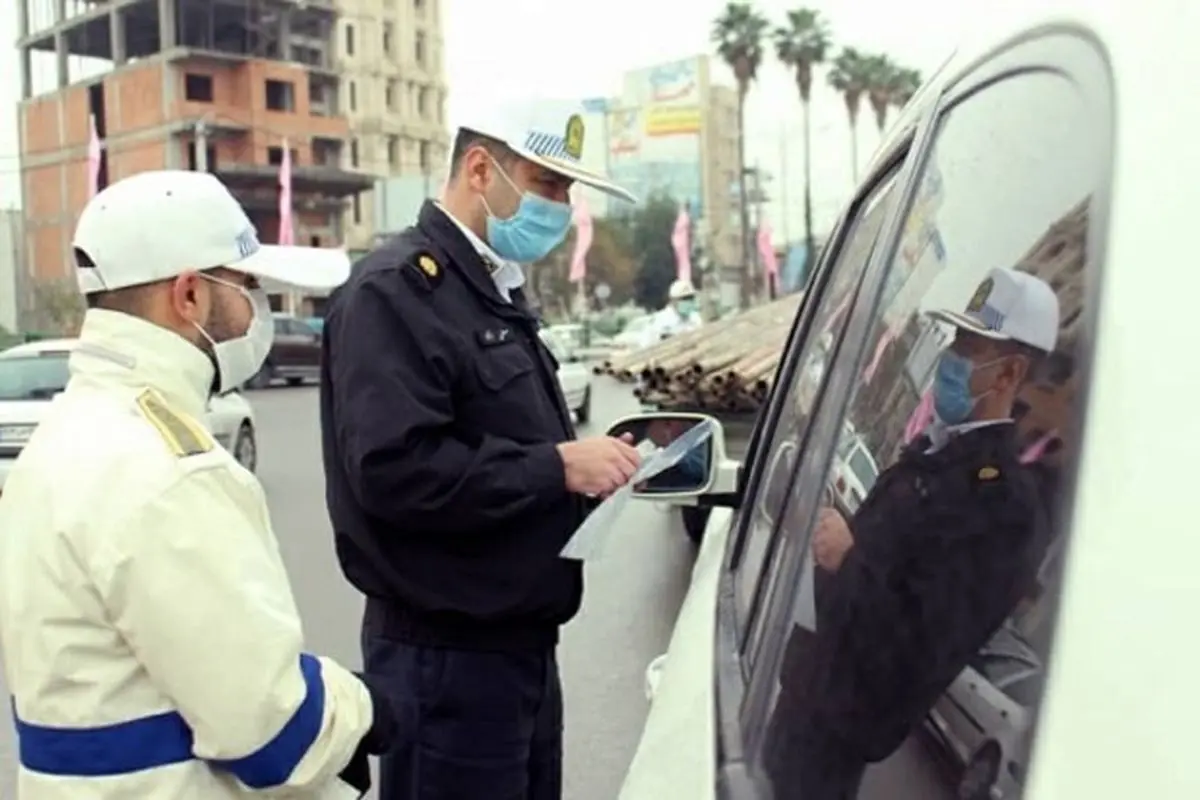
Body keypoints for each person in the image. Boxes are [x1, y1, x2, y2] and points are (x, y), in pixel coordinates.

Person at [0, 171, 397, 799]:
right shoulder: (169, 469)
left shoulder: (63, 438)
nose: (255, 310)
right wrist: (365, 707)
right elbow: (273, 737)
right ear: (189, 296)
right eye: (248, 287)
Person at [320, 111, 642, 800]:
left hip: (519, 651)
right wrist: (556, 467)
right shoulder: (397, 291)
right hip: (445, 665)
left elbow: (510, 443)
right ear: (478, 170)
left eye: (566, 192)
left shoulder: (492, 295)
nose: (559, 207)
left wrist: (585, 470)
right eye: (546, 184)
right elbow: (395, 473)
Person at [765, 267, 1059, 798]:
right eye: (955, 339)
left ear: (1008, 372)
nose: (949, 356)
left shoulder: (1002, 502)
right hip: (809, 691)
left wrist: (848, 562)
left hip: (840, 722)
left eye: (969, 347)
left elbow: (929, 635)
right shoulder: (936, 452)